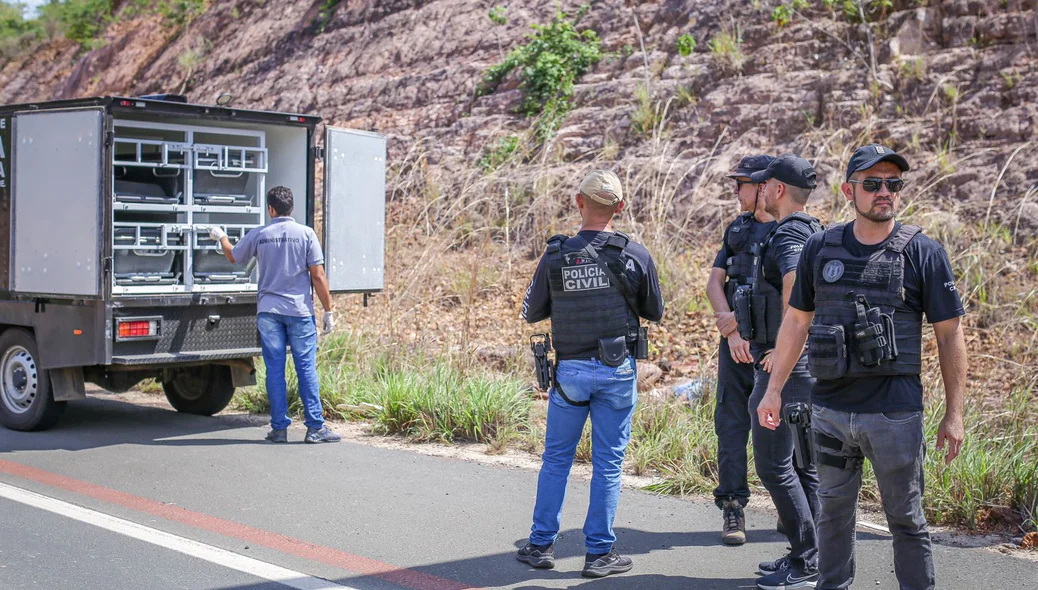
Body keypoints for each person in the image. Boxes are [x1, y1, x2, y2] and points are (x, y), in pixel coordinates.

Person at [757, 144, 967, 590]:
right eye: (872, 184)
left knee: (906, 518)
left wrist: (955, 414)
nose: (884, 192)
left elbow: (949, 333)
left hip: (895, 414)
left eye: (893, 183)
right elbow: (797, 321)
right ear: (850, 190)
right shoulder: (819, 247)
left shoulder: (923, 252)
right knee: (832, 516)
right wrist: (774, 389)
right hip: (829, 412)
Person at [516, 169, 665, 578]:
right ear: (619, 207)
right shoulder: (635, 253)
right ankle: (599, 554)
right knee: (609, 464)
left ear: (579, 202)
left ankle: (541, 544)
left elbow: (531, 311)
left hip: (570, 373)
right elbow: (655, 310)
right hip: (617, 372)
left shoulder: (556, 254)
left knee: (556, 460)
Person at [743, 154, 824, 589]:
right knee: (804, 467)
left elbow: (795, 283)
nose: (757, 191)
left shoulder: (790, 234)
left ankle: (807, 559)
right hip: (805, 367)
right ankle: (809, 555)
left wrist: (781, 347)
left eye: (762, 185)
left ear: (776, 189)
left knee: (775, 467)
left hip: (789, 370)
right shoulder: (816, 229)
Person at [210, 185, 341, 444]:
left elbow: (233, 256)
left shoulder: (260, 234)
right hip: (299, 312)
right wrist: (328, 311)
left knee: (275, 371)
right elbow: (318, 276)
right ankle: (315, 428)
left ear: (270, 209)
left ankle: (279, 428)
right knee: (306, 370)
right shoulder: (306, 234)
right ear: (291, 207)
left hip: (268, 313)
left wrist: (221, 236)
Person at [705, 154, 777, 545]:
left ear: (764, 186)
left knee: (790, 425)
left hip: (776, 351)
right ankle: (733, 508)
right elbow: (714, 283)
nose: (736, 190)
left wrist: (782, 348)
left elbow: (801, 300)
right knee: (731, 426)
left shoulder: (793, 232)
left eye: (743, 183)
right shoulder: (737, 229)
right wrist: (730, 329)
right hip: (735, 348)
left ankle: (794, 506)